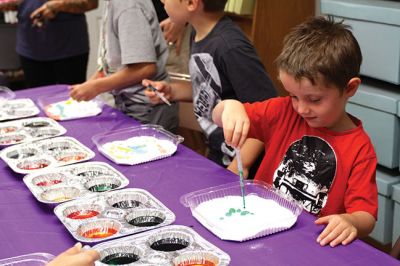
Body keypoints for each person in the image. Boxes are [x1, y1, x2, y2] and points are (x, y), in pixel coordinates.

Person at [212, 16, 378, 247]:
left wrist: (350, 221)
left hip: (310, 245)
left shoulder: (360, 148)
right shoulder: (283, 111)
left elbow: (366, 216)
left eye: (314, 99)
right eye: (293, 96)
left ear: (349, 88)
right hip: (258, 230)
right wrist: (229, 107)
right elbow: (218, 115)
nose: (301, 108)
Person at [143, 0, 276, 172]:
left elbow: (269, 115)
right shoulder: (198, 33)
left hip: (242, 168)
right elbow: (208, 88)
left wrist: (238, 167)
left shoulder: (230, 47)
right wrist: (172, 91)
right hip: (219, 156)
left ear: (191, 3)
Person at [70, 0, 179, 132]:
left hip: (146, 109)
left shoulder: (128, 6)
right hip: (130, 105)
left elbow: (145, 68)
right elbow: (115, 62)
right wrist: (92, 82)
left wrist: (96, 87)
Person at [0, 0, 98, 88]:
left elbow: (91, 3)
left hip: (68, 49)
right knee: (37, 100)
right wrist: (11, 3)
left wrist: (58, 5)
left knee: (72, 101)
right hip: (30, 48)